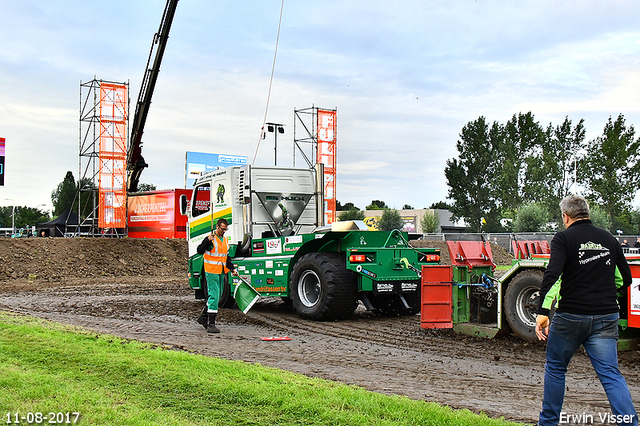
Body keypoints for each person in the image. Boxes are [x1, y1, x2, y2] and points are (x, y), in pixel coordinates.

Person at [535, 194, 637, 426]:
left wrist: (542, 312)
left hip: (570, 316)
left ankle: (548, 423)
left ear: (566, 216)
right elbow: (626, 279)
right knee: (611, 375)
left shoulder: (563, 238)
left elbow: (553, 275)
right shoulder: (609, 238)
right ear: (587, 213)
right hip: (606, 317)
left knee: (556, 367)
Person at [195, 218, 238, 333]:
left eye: (226, 229)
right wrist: (206, 242)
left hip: (221, 272)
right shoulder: (210, 240)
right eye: (222, 229)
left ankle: (203, 317)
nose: (224, 231)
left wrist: (232, 268)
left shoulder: (225, 240)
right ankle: (211, 323)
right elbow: (199, 250)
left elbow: (226, 257)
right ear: (217, 227)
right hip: (211, 271)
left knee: (217, 296)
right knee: (214, 296)